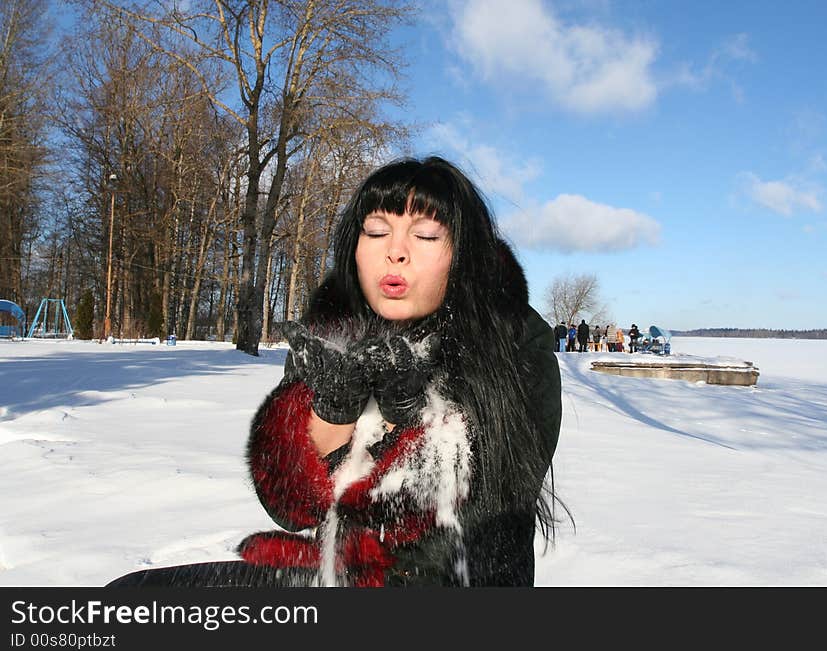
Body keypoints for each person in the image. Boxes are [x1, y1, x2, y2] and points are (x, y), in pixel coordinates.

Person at [107, 156, 564, 588]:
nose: (396, 252)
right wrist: (336, 405)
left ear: (464, 256)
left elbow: (491, 504)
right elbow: (291, 509)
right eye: (376, 231)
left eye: (425, 236)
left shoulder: (514, 336)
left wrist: (408, 412)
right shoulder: (333, 333)